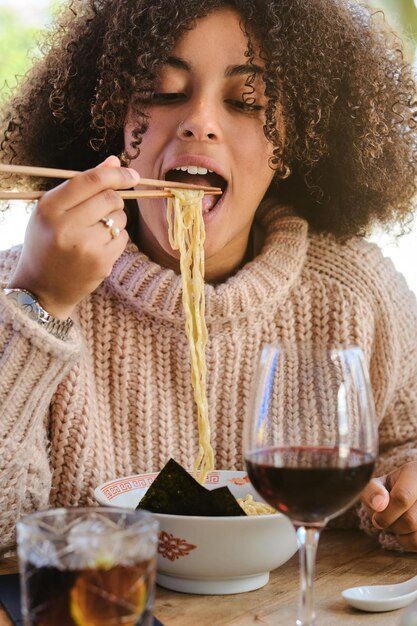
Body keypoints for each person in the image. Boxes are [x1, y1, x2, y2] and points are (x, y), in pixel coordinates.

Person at [0, 0, 417, 553]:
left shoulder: (357, 293)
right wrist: (42, 303)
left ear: (293, 143)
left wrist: (402, 495)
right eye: (164, 91)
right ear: (110, 118)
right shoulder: (22, 290)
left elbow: (400, 447)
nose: (199, 120)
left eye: (247, 102)